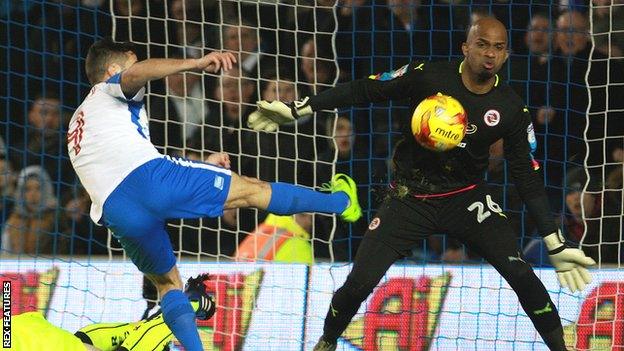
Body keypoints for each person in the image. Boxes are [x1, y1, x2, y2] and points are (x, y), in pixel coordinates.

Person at [248, 17, 596, 351]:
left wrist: (554, 241)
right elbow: (367, 88)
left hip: (466, 198)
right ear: (466, 47)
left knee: (522, 275)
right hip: (411, 197)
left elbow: (527, 177)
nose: (490, 54)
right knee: (358, 283)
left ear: (506, 54)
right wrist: (301, 108)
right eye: (482, 45)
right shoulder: (429, 76)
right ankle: (326, 340)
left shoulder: (510, 108)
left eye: (498, 48)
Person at [67, 38, 362, 351]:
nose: (136, 67)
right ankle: (342, 202)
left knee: (169, 286)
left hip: (117, 212)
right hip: (148, 180)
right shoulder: (109, 88)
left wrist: (197, 166)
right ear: (113, 69)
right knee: (252, 190)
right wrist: (196, 63)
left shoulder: (77, 122)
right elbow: (144, 167)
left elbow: (124, 161)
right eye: (132, 61)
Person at [9, 275, 215, 351]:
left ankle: (188, 304)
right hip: (20, 328)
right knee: (84, 340)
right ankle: (182, 305)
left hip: (25, 340)